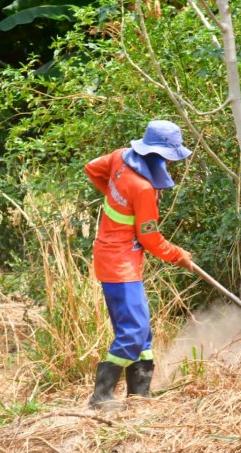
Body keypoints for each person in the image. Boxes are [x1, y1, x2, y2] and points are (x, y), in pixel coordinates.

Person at [84, 119, 193, 410]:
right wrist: (177, 255)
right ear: (158, 154)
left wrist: (114, 198)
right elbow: (151, 239)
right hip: (120, 265)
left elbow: (92, 168)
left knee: (141, 331)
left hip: (116, 258)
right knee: (132, 331)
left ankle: (139, 393)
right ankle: (101, 395)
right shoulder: (142, 188)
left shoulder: (120, 157)